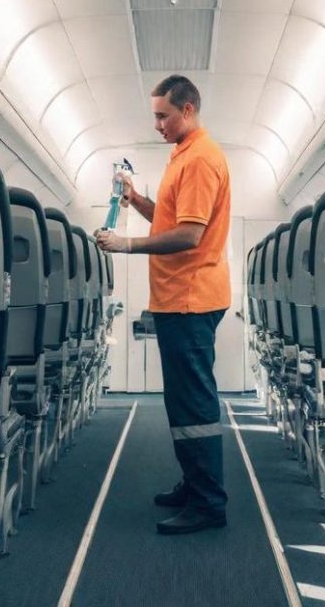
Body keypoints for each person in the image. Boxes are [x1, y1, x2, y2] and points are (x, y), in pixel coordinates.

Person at [96, 74, 231, 535]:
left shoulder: (201, 159)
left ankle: (208, 503)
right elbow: (171, 220)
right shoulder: (182, 155)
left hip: (191, 298)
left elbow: (189, 235)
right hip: (178, 299)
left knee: (193, 402)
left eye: (163, 115)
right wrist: (135, 200)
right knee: (182, 401)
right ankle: (195, 485)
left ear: (187, 110)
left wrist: (126, 245)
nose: (157, 124)